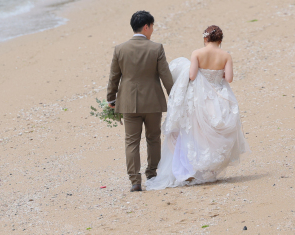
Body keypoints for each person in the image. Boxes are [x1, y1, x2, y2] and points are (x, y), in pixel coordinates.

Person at [147, 25, 250, 190]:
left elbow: (192, 75)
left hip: (200, 98)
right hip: (219, 98)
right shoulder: (226, 56)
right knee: (212, 132)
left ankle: (190, 168)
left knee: (194, 132)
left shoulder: (197, 53)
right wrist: (219, 73)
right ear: (220, 40)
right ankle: (207, 169)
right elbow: (229, 78)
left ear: (205, 38)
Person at [107, 11, 174, 192]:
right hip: (153, 102)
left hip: (128, 103)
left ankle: (135, 181)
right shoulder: (156, 48)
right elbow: (166, 77)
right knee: (153, 139)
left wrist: (111, 99)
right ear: (146, 26)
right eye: (152, 26)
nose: (152, 30)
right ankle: (152, 174)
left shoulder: (120, 49)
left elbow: (114, 77)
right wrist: (174, 96)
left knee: (131, 142)